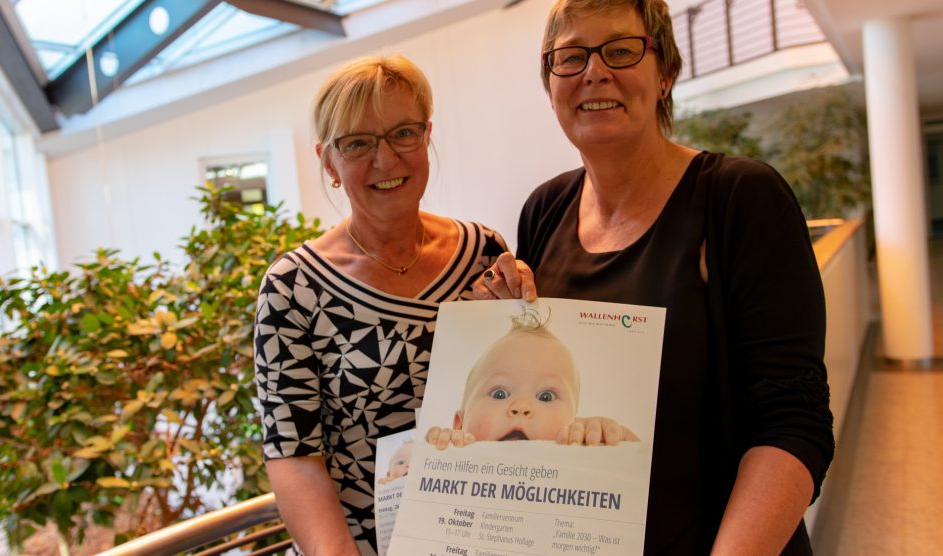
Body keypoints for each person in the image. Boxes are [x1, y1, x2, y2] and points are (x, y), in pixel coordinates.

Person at [476, 1, 835, 553]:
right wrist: (505, 321)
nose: (594, 71)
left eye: (621, 50)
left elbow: (793, 421)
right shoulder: (543, 210)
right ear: (550, 85)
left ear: (665, 73)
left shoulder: (739, 198)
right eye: (569, 57)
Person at [254, 54, 507, 556]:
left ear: (427, 135)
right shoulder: (292, 288)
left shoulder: (484, 253)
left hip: (482, 538)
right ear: (329, 162)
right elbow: (293, 453)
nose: (386, 160)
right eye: (358, 144)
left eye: (403, 134)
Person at [425, 306, 639, 448]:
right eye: (499, 393)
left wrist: (611, 442)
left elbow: (634, 480)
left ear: (573, 424)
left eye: (546, 396)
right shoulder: (448, 452)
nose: (521, 407)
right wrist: (438, 451)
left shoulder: (579, 458)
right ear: (459, 425)